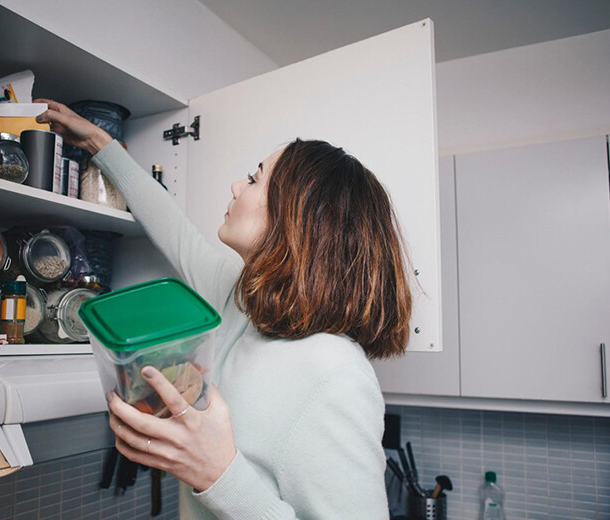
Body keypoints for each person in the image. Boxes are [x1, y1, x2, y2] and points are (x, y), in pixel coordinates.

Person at [36, 99, 412, 520]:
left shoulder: (335, 372)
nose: (236, 186)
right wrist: (101, 145)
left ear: (299, 216)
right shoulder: (241, 303)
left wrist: (217, 474)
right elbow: (175, 230)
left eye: (254, 179)